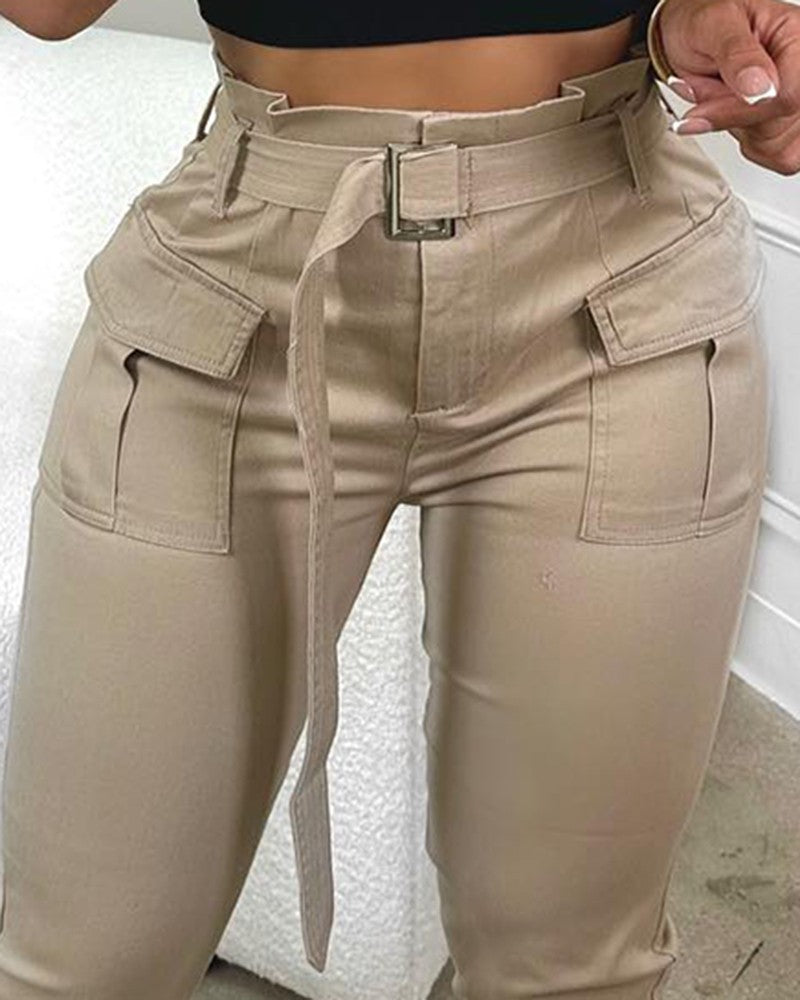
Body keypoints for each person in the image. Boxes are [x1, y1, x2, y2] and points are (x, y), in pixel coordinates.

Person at [0, 0, 795, 997]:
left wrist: (692, 16)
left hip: (611, 268)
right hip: (243, 280)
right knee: (80, 967)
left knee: (566, 976)